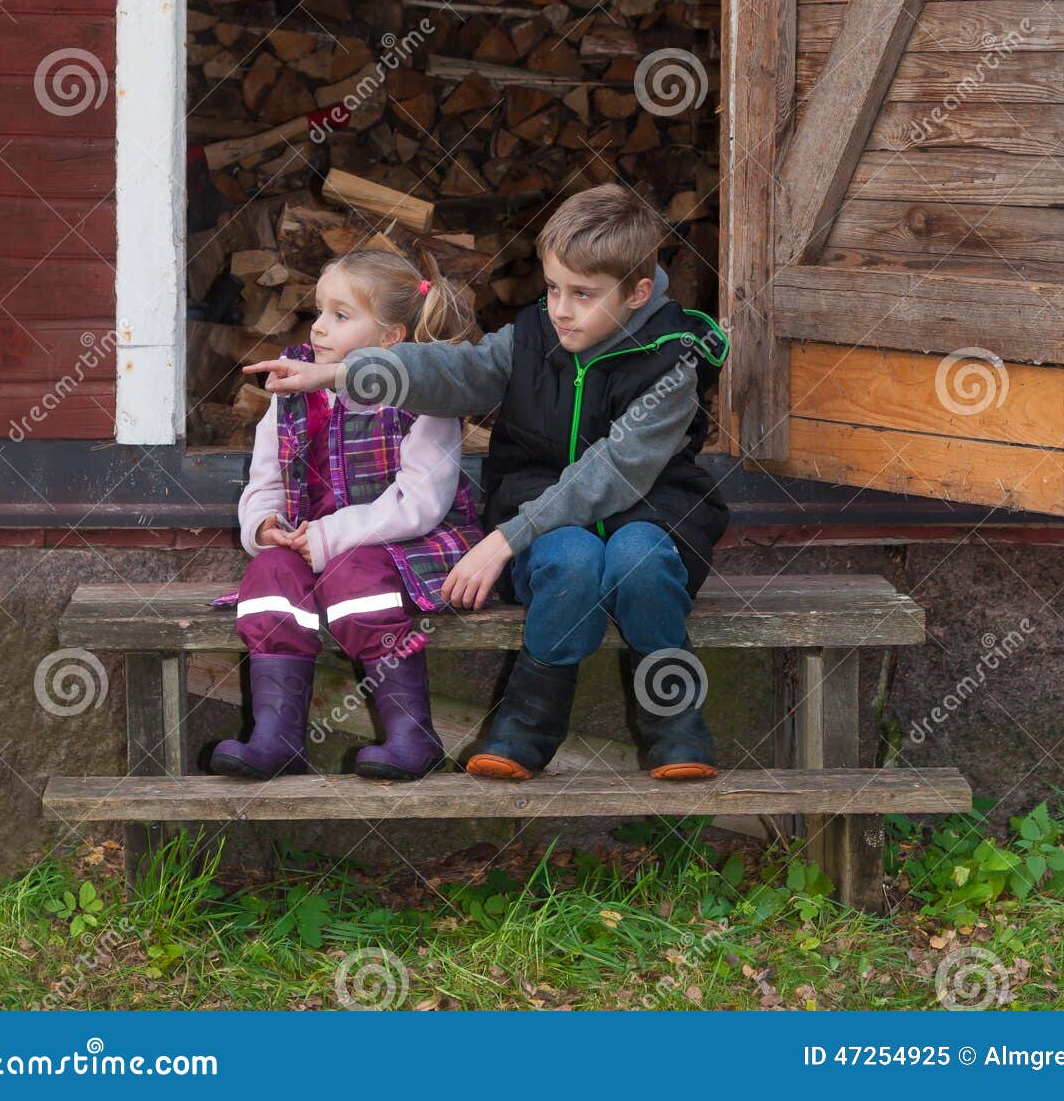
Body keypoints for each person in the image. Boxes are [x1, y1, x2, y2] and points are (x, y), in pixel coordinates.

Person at [247, 184, 730, 783]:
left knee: (637, 558)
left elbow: (619, 466)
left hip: (653, 513)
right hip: (545, 517)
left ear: (636, 292)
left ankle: (677, 724)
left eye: (583, 294)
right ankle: (526, 726)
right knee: (573, 559)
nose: (561, 309)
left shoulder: (672, 356)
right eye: (553, 288)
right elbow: (457, 370)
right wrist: (341, 372)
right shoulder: (531, 337)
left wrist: (502, 540)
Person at [211, 246, 483, 782]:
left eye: (340, 316)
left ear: (390, 339)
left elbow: (420, 503)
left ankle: (411, 735)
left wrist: (333, 536)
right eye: (318, 312)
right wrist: (265, 525)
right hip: (307, 539)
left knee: (356, 580)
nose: (319, 329)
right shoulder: (294, 387)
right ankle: (277, 736)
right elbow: (266, 475)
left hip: (399, 540)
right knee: (266, 578)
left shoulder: (423, 399)